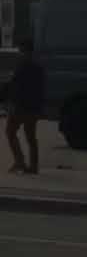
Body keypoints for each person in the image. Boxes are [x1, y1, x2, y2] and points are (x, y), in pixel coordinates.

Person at [5, 39, 45, 174]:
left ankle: (19, 161)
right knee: (31, 137)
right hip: (33, 108)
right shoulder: (38, 67)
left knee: (10, 132)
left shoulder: (21, 66)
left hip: (20, 107)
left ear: (25, 51)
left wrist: (12, 103)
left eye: (20, 50)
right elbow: (41, 89)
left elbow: (15, 88)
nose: (19, 53)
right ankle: (33, 166)